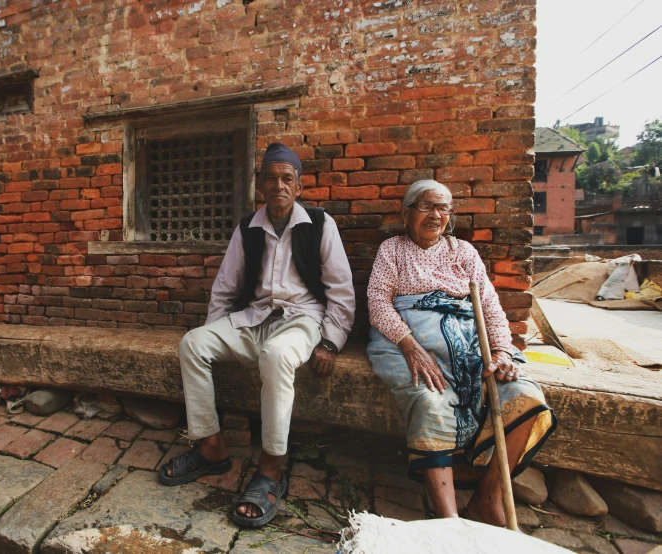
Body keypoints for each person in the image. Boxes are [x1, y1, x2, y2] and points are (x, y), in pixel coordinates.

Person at [158, 142, 356, 528]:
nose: (279, 185)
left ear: (298, 187)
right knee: (193, 344)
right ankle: (211, 447)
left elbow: (341, 290)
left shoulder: (319, 224)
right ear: (260, 184)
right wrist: (213, 330)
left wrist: (331, 341)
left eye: (287, 179)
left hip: (303, 319)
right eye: (271, 178)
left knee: (278, 355)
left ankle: (270, 468)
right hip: (254, 318)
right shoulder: (248, 227)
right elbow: (225, 287)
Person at [366, 179, 556, 527]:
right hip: (405, 345)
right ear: (406, 213)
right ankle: (449, 522)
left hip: (470, 349)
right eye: (426, 206)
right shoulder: (392, 250)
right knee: (430, 400)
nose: (435, 215)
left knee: (525, 396)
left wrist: (501, 351)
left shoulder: (464, 252)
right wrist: (411, 346)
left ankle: (487, 498)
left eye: (443, 208)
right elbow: (378, 304)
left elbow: (490, 307)